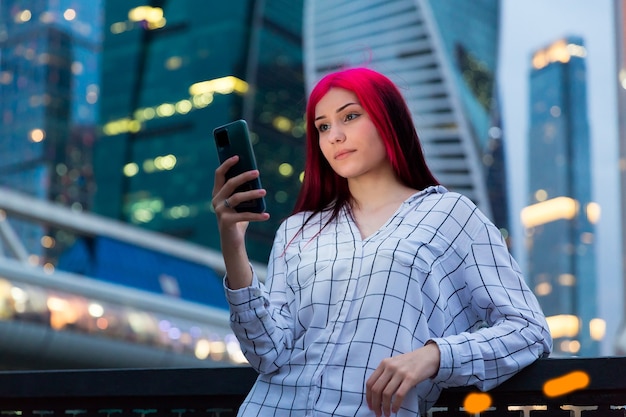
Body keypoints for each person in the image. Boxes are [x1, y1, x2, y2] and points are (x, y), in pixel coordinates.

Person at [212, 67, 552, 417]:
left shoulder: (452, 216)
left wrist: (434, 356)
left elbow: (529, 331)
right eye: (323, 126)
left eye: (350, 116)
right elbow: (268, 352)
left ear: (388, 119)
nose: (334, 136)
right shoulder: (298, 229)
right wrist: (234, 249)